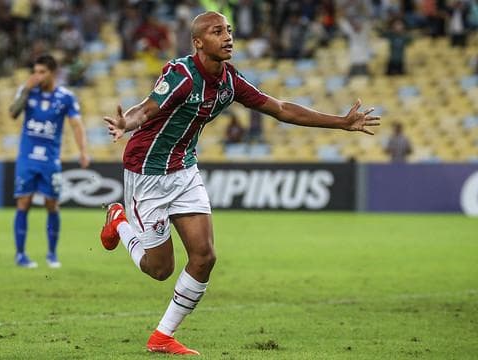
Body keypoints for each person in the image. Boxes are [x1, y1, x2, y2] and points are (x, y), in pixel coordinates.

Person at [100, 11, 381, 356]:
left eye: (229, 30)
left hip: (184, 172)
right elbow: (146, 109)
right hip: (147, 173)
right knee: (160, 269)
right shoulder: (182, 75)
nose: (228, 37)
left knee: (204, 257)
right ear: (199, 42)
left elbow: (280, 108)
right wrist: (124, 123)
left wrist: (340, 122)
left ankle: (162, 336)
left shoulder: (230, 81)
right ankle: (119, 221)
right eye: (218, 32)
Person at [9, 55, 89, 269]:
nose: (37, 76)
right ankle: (20, 255)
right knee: (23, 202)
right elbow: (13, 113)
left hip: (50, 159)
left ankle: (52, 254)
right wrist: (25, 90)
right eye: (35, 71)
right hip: (26, 158)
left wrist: (83, 151)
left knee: (52, 204)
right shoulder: (27, 91)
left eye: (42, 72)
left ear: (53, 73)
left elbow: (76, 125)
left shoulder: (65, 97)